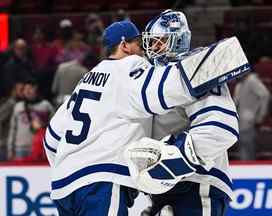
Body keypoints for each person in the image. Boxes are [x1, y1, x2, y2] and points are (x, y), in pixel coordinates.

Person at [44, 20, 208, 215]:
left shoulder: (87, 78)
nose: (145, 50)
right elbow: (163, 91)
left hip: (63, 186)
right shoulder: (131, 65)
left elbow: (51, 138)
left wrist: (72, 166)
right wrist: (205, 71)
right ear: (124, 46)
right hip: (100, 181)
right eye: (139, 44)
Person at [139, 9, 241, 215]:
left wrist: (172, 162)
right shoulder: (152, 78)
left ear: (178, 40)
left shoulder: (199, 70)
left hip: (198, 181)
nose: (153, 48)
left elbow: (220, 128)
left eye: (160, 41)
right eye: (152, 42)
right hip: (163, 187)